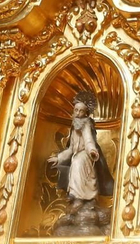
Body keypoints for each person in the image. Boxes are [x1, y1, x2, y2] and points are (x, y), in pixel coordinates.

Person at [46, 90, 113, 233]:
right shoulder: (74, 125)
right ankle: (76, 198)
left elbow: (89, 140)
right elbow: (71, 149)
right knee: (73, 166)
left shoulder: (86, 124)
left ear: (86, 113)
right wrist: (58, 158)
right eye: (76, 110)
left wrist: (92, 151)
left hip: (85, 157)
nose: (77, 113)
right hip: (77, 156)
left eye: (81, 111)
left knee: (78, 164)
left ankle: (83, 200)